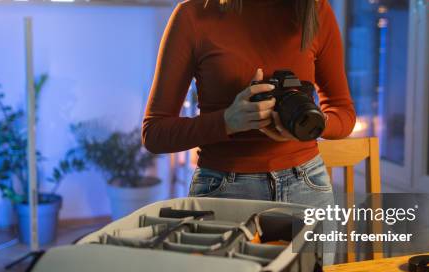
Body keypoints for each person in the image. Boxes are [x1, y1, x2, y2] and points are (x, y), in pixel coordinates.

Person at [143, 0, 355, 208]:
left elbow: (343, 113)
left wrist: (312, 123)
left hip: (307, 184)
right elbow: (154, 134)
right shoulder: (192, 15)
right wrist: (226, 121)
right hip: (223, 189)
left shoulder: (315, 10)